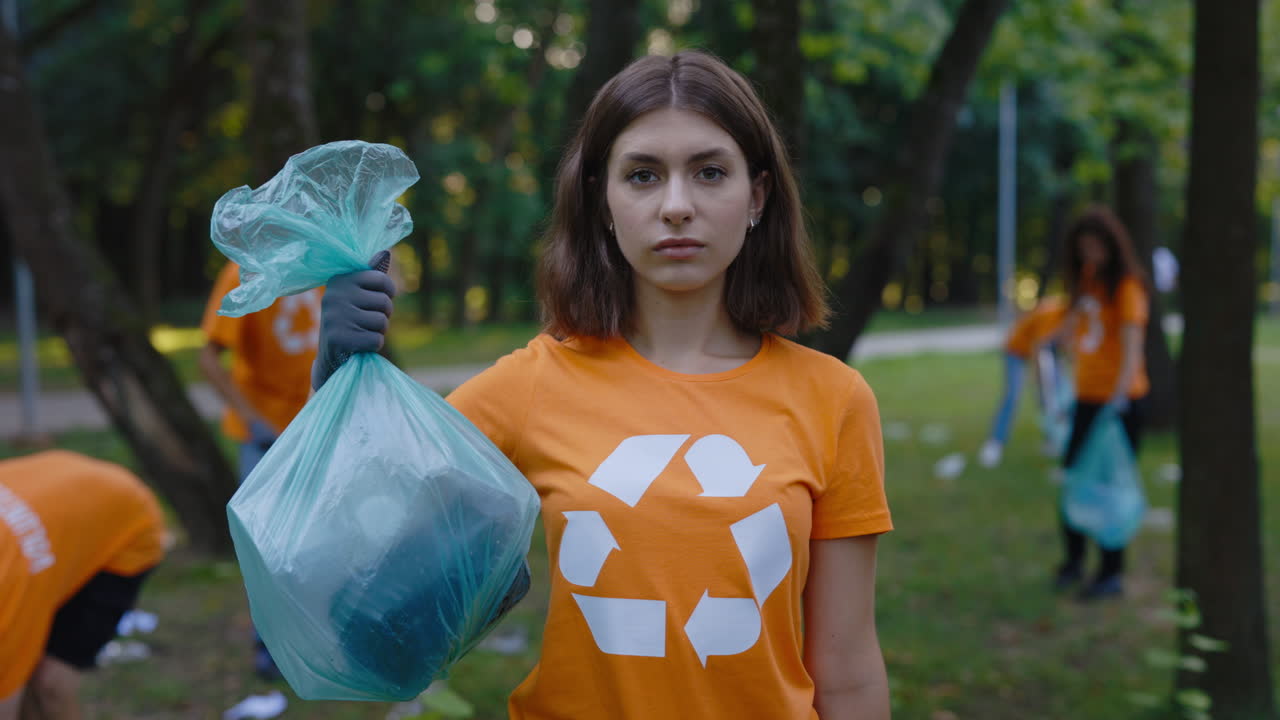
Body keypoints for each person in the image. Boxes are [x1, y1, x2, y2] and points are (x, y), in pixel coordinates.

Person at [312, 51, 892, 719]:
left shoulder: (835, 399)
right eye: (643, 175)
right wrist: (334, 377)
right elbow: (344, 518)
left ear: (757, 197)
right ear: (604, 201)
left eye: (709, 172)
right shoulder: (530, 386)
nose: (677, 206)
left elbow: (846, 669)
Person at [199, 261, 323, 678]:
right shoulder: (242, 275)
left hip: (315, 425)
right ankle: (269, 647)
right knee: (267, 544)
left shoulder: (324, 262)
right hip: (263, 434)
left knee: (317, 538)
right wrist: (253, 420)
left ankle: (316, 638)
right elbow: (208, 358)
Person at [0, 450, 166, 720]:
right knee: (25, 670)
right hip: (60, 479)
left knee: (52, 682)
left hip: (125, 524)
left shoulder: (7, 606)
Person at [1053, 206, 1151, 601]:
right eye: (1084, 248)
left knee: (1109, 489)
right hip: (1086, 399)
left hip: (1120, 405)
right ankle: (1073, 562)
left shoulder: (1128, 286)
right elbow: (1069, 327)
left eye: (1096, 248)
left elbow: (1132, 349)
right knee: (1072, 478)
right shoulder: (1088, 281)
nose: (1090, 255)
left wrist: (1117, 399)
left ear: (1112, 246)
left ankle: (1110, 573)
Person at [979, 297, 1070, 467]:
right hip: (1016, 350)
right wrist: (1039, 380)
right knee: (1013, 395)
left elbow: (1061, 347)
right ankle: (994, 444)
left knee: (1051, 396)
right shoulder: (1053, 313)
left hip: (1043, 352)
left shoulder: (1067, 316)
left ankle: (1052, 439)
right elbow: (1039, 349)